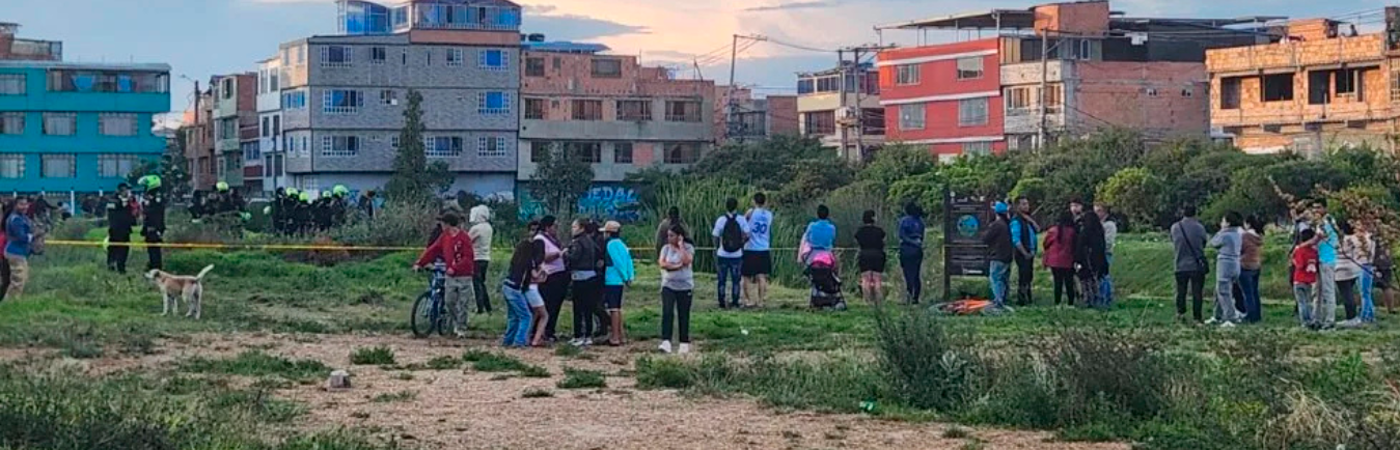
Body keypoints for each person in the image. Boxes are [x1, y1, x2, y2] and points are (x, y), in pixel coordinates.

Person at [411, 212, 477, 338]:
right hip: (450, 275)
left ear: (448, 224)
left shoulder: (464, 237)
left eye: (443, 223)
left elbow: (468, 257)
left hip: (464, 275)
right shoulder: (444, 236)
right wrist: (420, 262)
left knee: (463, 302)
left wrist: (454, 267)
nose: (441, 225)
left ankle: (461, 328)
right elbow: (433, 249)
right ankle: (455, 323)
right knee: (449, 301)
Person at [658, 224, 695, 354]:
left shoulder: (688, 248)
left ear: (679, 236)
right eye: (668, 235)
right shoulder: (665, 249)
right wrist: (675, 266)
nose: (669, 238)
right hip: (668, 285)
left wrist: (680, 247)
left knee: (683, 313)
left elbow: (686, 261)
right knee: (667, 311)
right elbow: (662, 263)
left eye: (672, 236)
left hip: (685, 286)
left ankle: (683, 342)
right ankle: (666, 340)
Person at [565, 219, 602, 347]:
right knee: (588, 309)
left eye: (574, 226)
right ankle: (588, 336)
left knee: (578, 308)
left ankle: (578, 336)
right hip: (591, 277)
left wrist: (565, 254)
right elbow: (598, 254)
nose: (572, 229)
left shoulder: (577, 242)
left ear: (581, 228)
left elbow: (574, 257)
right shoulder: (590, 241)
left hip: (579, 278)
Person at [501, 224, 539, 348]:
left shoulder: (517, 258)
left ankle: (507, 341)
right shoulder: (529, 261)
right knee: (526, 316)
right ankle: (519, 341)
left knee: (513, 316)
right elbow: (535, 275)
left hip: (507, 285)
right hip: (515, 289)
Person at [1171, 206, 1209, 322]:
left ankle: (1180, 313)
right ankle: (1197, 317)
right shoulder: (1200, 228)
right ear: (1195, 214)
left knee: (1181, 291)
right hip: (1196, 265)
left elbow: (1173, 241)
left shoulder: (1175, 227)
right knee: (1197, 292)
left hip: (1180, 263)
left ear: (1183, 213)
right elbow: (1204, 242)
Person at [534, 216, 569, 343]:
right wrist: (559, 254)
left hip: (559, 274)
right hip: (549, 276)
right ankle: (541, 331)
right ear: (547, 227)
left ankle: (550, 330)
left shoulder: (553, 240)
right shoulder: (540, 239)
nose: (556, 229)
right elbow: (541, 257)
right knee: (547, 304)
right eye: (554, 226)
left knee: (555, 305)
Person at [1208, 212, 1245, 327]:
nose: (1221, 223)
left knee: (1224, 292)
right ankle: (1217, 315)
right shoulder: (1238, 234)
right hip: (1236, 264)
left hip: (1225, 265)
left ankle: (1230, 317)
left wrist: (1220, 231)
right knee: (1220, 290)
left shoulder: (1225, 235)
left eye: (1223, 221)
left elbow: (1213, 243)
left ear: (1228, 223)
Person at [711, 197, 749, 309]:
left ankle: (721, 302)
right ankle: (735, 301)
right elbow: (747, 235)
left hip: (722, 253)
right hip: (737, 254)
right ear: (736, 206)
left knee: (722, 279)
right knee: (736, 280)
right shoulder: (741, 219)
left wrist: (717, 247)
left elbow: (715, 236)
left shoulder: (721, 220)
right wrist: (741, 244)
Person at [1071, 199, 1108, 309]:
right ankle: (1098, 299)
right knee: (1094, 280)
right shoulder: (1099, 232)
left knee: (1085, 281)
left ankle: (1088, 300)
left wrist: (1077, 259)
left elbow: (1079, 246)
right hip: (1097, 260)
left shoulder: (1084, 232)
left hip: (1085, 260)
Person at [602, 221, 634, 346]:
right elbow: (628, 261)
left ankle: (615, 336)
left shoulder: (611, 244)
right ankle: (621, 335)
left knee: (613, 309)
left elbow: (617, 262)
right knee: (618, 309)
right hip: (619, 280)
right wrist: (629, 276)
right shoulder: (622, 244)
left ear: (609, 233)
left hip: (612, 279)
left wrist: (624, 276)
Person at [1335, 220, 1372, 326]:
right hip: (1353, 268)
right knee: (1350, 292)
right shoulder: (1355, 239)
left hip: (1341, 270)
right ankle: (1354, 316)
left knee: (1347, 295)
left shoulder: (1340, 240)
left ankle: (1351, 318)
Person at [742, 193, 774, 308]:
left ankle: (748, 300)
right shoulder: (769, 215)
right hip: (764, 247)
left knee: (746, 276)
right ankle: (760, 301)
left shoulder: (750, 212)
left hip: (750, 248)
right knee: (762, 276)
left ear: (754, 201)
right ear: (764, 202)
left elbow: (743, 225)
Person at [1313, 202, 1341, 329]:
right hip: (1319, 258)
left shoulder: (1327, 221)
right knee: (1317, 291)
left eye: (1318, 207)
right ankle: (1316, 318)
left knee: (1328, 290)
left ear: (1325, 208)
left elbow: (1320, 236)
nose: (1316, 210)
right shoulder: (1320, 222)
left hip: (1327, 258)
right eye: (1314, 208)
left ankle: (1330, 320)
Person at [982, 202, 1014, 313]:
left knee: (995, 278)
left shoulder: (997, 225)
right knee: (1004, 279)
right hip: (1007, 256)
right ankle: (1004, 299)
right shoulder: (1007, 224)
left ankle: (998, 302)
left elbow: (985, 238)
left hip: (997, 256)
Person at [1043, 211, 1078, 306]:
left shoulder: (1053, 230)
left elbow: (1045, 243)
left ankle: (1057, 302)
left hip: (1055, 261)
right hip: (1068, 260)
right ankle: (1071, 303)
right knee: (1069, 283)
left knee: (1057, 283)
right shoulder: (1072, 232)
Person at [105, 182, 139, 274]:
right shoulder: (112, 200)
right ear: (121, 191)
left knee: (124, 249)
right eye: (126, 190)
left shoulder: (129, 201)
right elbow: (112, 210)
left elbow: (132, 213)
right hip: (115, 229)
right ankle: (111, 265)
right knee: (113, 248)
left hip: (125, 229)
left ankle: (121, 267)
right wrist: (123, 202)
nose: (128, 192)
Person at [1011, 197, 1039, 306]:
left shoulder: (1027, 220)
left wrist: (1031, 220)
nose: (1027, 206)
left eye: (1027, 204)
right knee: (1023, 276)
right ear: (1017, 206)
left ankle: (1028, 296)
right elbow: (1016, 240)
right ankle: (1022, 299)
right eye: (1023, 204)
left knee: (1029, 276)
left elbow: (1037, 229)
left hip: (1030, 252)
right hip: (1023, 254)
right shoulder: (1016, 221)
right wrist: (1025, 253)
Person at [854, 210, 886, 305]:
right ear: (873, 218)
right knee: (877, 279)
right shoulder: (879, 231)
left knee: (865, 279)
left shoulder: (860, 231)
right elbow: (884, 242)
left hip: (864, 254)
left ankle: (867, 301)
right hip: (878, 254)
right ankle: (878, 301)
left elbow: (857, 242)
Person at [1239, 215, 1266, 323]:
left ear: (1248, 223)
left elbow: (1241, 248)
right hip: (1256, 265)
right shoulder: (1258, 237)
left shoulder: (1245, 236)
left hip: (1246, 265)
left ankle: (1250, 315)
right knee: (1254, 292)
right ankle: (1257, 314)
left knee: (1247, 293)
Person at [468, 205, 494, 315]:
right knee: (482, 283)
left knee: (476, 284)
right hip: (485, 258)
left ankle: (480, 308)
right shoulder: (489, 227)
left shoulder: (476, 228)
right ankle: (488, 307)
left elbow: (467, 240)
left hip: (476, 258)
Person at [898, 203, 926, 304]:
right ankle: (916, 297)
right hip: (917, 249)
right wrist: (917, 243)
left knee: (908, 273)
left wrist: (911, 242)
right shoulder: (920, 222)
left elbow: (902, 235)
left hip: (907, 248)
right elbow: (922, 236)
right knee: (916, 273)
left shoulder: (904, 221)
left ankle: (909, 295)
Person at [1293, 229, 1322, 327]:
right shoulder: (1314, 252)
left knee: (1302, 302)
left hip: (1299, 279)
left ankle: (1305, 322)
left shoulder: (1300, 251)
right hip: (1310, 280)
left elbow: (1299, 265)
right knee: (1308, 301)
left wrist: (1293, 261)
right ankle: (1311, 319)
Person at [4, 197, 32, 299]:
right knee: (18, 280)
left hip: (19, 252)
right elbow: (22, 237)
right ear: (15, 205)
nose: (24, 207)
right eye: (21, 204)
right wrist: (32, 237)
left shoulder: (21, 217)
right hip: (15, 252)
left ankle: (14, 300)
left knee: (23, 278)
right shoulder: (16, 219)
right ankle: (11, 303)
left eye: (26, 204)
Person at [139, 175, 167, 272]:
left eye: (145, 186)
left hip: (155, 228)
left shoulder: (157, 198)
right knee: (151, 249)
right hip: (149, 228)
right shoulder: (151, 198)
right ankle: (152, 267)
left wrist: (157, 229)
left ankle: (156, 269)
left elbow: (155, 214)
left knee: (155, 250)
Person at [1095, 204, 1117, 305]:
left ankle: (1107, 298)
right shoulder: (1098, 224)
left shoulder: (1109, 225)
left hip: (1106, 252)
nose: (1096, 213)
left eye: (1099, 211)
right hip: (1098, 252)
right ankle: (1101, 297)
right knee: (1100, 276)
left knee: (1105, 276)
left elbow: (1108, 241)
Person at [1375, 237, 1396, 315]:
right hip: (1385, 260)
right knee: (1387, 286)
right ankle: (1390, 309)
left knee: (1367, 286)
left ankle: (1367, 308)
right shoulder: (1385, 230)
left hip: (1376, 261)